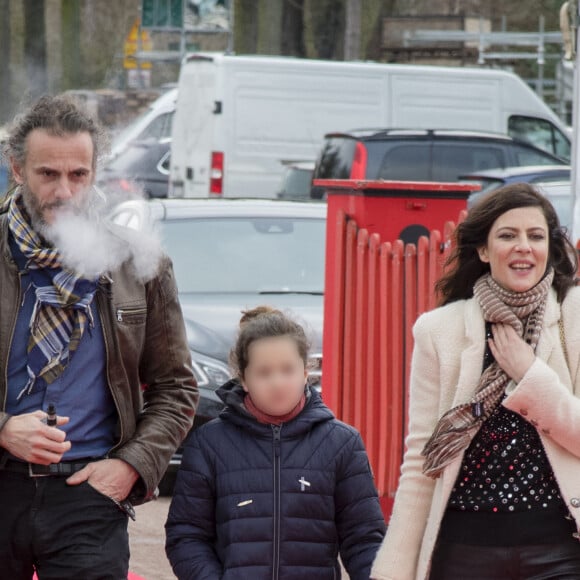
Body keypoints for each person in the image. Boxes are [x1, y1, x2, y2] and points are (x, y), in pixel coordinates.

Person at [0, 94, 198, 579]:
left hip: (87, 496)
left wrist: (132, 466)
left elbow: (176, 388)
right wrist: (3, 427)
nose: (64, 191)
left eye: (78, 175)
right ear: (18, 169)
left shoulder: (137, 263)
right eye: (48, 174)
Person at [371, 184, 580, 580]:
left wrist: (530, 376)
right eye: (507, 235)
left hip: (559, 550)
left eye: (535, 236)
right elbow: (422, 459)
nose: (523, 246)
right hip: (464, 552)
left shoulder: (575, 318)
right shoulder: (438, 331)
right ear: (484, 251)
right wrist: (394, 568)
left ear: (548, 249)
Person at [165, 306, 386, 579]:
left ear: (306, 373)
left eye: (287, 370)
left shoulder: (342, 443)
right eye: (264, 372)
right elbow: (186, 535)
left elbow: (364, 539)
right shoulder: (209, 444)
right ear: (244, 379)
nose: (277, 382)